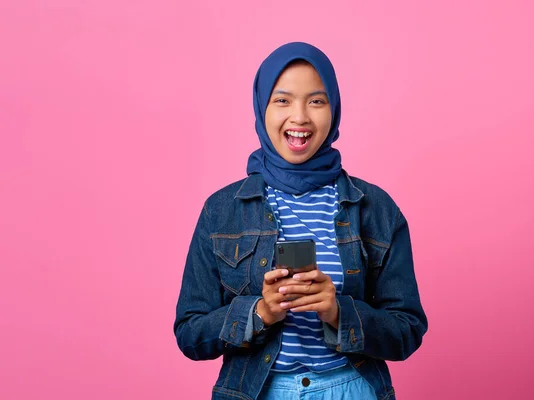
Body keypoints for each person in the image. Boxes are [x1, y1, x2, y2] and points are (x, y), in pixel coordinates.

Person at [174, 42, 428, 400]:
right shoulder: (221, 210)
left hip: (350, 389)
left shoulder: (376, 209)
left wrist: (339, 311)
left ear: (334, 109)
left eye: (316, 100)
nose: (300, 117)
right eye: (282, 100)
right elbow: (189, 333)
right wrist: (259, 312)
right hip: (256, 392)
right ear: (262, 108)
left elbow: (407, 331)